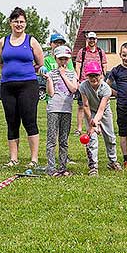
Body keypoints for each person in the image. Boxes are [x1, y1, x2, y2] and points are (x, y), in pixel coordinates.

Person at [0, 7, 44, 168]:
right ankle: (13, 158)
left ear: (25, 23)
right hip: (7, 86)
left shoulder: (31, 40)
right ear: (10, 23)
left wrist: (26, 71)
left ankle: (34, 159)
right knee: (12, 121)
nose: (19, 24)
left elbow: (40, 62)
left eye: (21, 21)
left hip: (28, 85)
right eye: (16, 21)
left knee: (29, 120)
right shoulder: (4, 41)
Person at [79, 61, 122, 176]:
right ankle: (93, 166)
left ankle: (112, 161)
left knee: (110, 137)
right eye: (90, 76)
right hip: (90, 112)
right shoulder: (83, 86)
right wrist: (92, 123)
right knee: (92, 139)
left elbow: (101, 109)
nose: (93, 78)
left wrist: (96, 122)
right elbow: (86, 106)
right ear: (87, 76)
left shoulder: (106, 88)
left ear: (101, 75)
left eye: (96, 75)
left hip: (104, 112)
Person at [44, 46, 78, 177]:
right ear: (56, 59)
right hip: (53, 109)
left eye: (65, 59)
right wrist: (48, 79)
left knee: (64, 140)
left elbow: (74, 89)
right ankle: (51, 167)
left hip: (66, 110)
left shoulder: (72, 73)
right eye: (60, 59)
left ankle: (63, 167)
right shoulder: (52, 73)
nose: (63, 62)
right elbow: (50, 93)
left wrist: (63, 75)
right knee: (52, 139)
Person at [74, 32, 107, 136]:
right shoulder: (82, 51)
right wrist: (78, 80)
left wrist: (103, 78)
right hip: (84, 82)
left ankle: (98, 127)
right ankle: (79, 129)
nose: (91, 41)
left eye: (93, 39)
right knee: (81, 106)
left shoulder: (101, 52)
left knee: (99, 106)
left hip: (98, 82)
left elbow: (104, 65)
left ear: (96, 40)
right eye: (90, 39)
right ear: (87, 39)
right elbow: (78, 65)